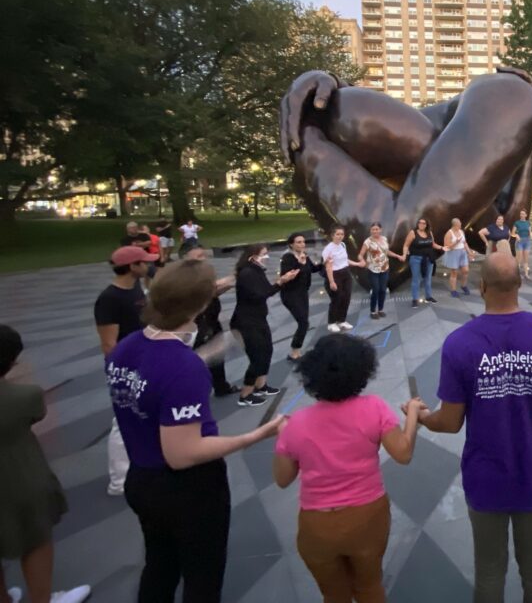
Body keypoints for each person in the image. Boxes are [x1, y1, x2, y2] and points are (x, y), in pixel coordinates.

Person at [416, 253, 532, 601]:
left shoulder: (459, 343)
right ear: (520, 283)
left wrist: (420, 415)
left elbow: (449, 422)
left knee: (489, 571)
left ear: (481, 286)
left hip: (484, 476)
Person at [106, 259, 284, 603]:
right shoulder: (181, 367)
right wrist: (257, 435)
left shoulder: (126, 347)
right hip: (187, 491)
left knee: (160, 564)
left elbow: (150, 385)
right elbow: (183, 453)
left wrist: (193, 360)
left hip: (141, 480)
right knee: (202, 576)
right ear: (203, 305)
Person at [273, 334, 425, 602]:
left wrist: (283, 437)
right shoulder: (374, 408)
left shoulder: (296, 423)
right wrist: (412, 414)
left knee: (334, 594)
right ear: (362, 372)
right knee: (369, 587)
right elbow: (402, 453)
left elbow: (282, 479)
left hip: (316, 525)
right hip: (367, 517)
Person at [0, 326, 92, 603]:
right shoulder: (25, 396)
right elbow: (35, 415)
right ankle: (42, 599)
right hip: (20, 477)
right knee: (37, 538)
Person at [94, 245, 156, 497]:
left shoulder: (136, 289)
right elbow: (109, 343)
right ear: (132, 266)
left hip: (144, 360)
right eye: (144, 262)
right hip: (127, 368)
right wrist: (127, 371)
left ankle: (143, 462)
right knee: (123, 421)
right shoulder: (109, 298)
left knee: (145, 415)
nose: (148, 265)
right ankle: (119, 479)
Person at [231, 244, 300, 407]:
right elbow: (261, 294)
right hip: (246, 321)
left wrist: (281, 281)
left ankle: (261, 385)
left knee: (267, 350)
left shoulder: (257, 271)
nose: (267, 257)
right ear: (253, 257)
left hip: (258, 318)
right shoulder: (247, 273)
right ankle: (246, 394)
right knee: (257, 356)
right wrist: (282, 281)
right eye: (264, 254)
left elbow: (267, 289)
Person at [183, 246, 240, 397]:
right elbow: (206, 293)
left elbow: (213, 291)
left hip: (212, 321)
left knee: (217, 358)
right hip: (197, 326)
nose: (204, 258)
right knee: (198, 360)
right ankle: (194, 395)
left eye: (204, 255)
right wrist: (231, 279)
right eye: (199, 256)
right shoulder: (186, 278)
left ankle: (221, 387)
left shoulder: (203, 274)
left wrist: (229, 284)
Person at [280, 232, 324, 362]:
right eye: (298, 242)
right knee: (304, 323)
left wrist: (324, 264)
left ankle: (296, 352)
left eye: (303, 242)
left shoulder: (304, 255)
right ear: (291, 245)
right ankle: (294, 352)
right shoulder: (288, 258)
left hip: (303, 293)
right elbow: (288, 275)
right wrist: (299, 263)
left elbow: (312, 269)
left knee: (304, 322)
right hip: (290, 294)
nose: (302, 244)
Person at [322, 226, 365, 333]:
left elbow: (345, 260)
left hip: (345, 273)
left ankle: (341, 320)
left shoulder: (342, 245)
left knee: (346, 298)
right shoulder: (328, 249)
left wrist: (357, 264)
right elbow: (328, 266)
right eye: (338, 234)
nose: (340, 236)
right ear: (332, 235)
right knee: (337, 299)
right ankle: (331, 323)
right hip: (334, 275)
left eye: (342, 234)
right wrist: (331, 281)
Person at [358, 223, 404, 320]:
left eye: (377, 229)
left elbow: (386, 251)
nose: (375, 231)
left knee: (383, 290)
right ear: (370, 230)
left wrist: (397, 256)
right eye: (373, 229)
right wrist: (362, 260)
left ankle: (381, 309)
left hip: (385, 269)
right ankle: (373, 311)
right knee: (376, 290)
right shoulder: (368, 242)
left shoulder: (384, 239)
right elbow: (360, 255)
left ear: (380, 230)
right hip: (373, 270)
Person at [403, 218, 444, 307]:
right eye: (420, 223)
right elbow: (406, 245)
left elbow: (433, 244)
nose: (421, 224)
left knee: (428, 278)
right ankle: (415, 299)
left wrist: (442, 247)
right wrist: (404, 255)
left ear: (426, 225)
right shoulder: (413, 233)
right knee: (416, 279)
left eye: (423, 223)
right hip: (416, 259)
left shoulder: (429, 232)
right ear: (417, 224)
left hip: (429, 259)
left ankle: (428, 297)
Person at [442, 218, 473, 297]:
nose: (460, 226)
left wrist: (469, 252)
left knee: (466, 270)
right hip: (453, 253)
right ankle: (453, 290)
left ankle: (463, 285)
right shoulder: (449, 233)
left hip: (462, 252)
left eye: (460, 225)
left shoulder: (461, 231)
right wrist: (455, 243)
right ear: (454, 225)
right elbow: (446, 247)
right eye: (459, 225)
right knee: (454, 272)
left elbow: (465, 242)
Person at [512, 209, 532, 279]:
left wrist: (531, 235)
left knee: (526, 259)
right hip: (519, 242)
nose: (522, 215)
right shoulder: (517, 223)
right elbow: (512, 233)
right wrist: (516, 236)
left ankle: (526, 274)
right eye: (521, 214)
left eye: (523, 214)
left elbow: (530, 231)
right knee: (519, 259)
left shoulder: (528, 223)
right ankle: (516, 274)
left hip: (527, 241)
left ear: (526, 215)